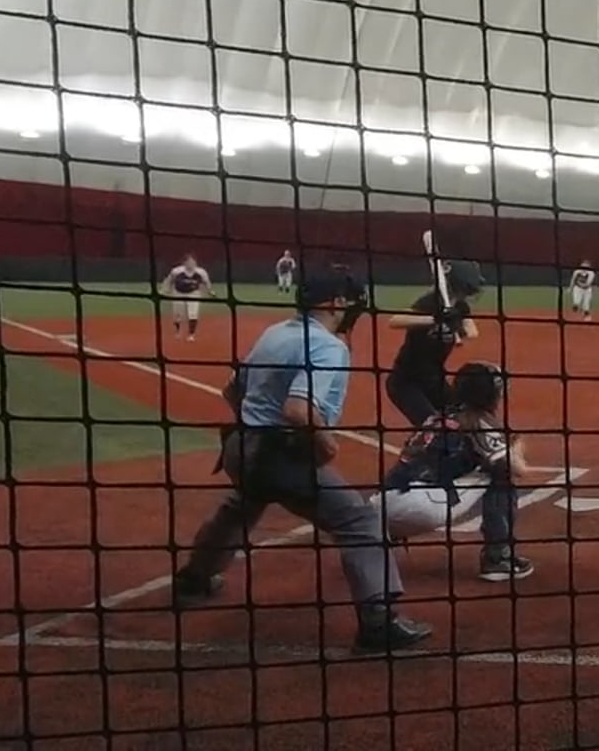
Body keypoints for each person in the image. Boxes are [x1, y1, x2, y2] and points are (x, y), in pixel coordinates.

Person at [169, 267, 430, 652]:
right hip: (278, 455)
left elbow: (231, 390)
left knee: (240, 508)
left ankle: (193, 580)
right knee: (360, 522)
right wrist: (325, 444)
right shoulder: (327, 346)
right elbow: (298, 410)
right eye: (350, 301)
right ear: (336, 303)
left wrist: (257, 425)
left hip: (239, 447)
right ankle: (378, 625)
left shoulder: (275, 332)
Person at [370, 361, 536, 582]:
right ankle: (498, 559)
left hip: (379, 506)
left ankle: (378, 540)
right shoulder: (479, 422)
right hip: (423, 507)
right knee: (499, 472)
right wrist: (515, 442)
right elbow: (519, 469)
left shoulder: (436, 417)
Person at [385, 260, 486, 428]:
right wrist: (434, 319)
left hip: (434, 380)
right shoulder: (431, 302)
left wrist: (457, 324)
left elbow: (472, 332)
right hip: (406, 382)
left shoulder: (460, 307)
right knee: (433, 427)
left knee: (463, 418)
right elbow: (394, 321)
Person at [160, 254, 214, 341]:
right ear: (184, 263)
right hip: (178, 293)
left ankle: (191, 334)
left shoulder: (201, 272)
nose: (191, 264)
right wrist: (165, 290)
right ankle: (178, 331)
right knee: (177, 314)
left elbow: (206, 282)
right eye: (189, 262)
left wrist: (210, 291)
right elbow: (169, 280)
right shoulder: (177, 271)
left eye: (193, 262)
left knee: (193, 313)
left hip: (194, 293)